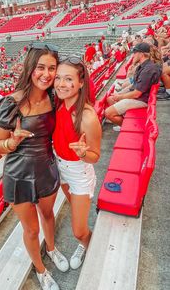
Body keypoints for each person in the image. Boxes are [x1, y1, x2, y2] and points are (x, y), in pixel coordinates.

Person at [0, 43, 68, 290]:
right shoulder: (10, 103)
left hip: (46, 168)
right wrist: (12, 141)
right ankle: (41, 269)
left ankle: (53, 248)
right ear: (30, 68)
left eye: (52, 68)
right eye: (41, 67)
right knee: (32, 230)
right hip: (18, 175)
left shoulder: (54, 97)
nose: (46, 74)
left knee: (48, 215)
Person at [53, 56, 102, 269]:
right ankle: (86, 244)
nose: (61, 84)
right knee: (74, 209)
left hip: (78, 171)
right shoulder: (58, 104)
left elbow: (95, 156)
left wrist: (83, 153)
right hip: (60, 167)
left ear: (81, 83)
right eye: (58, 78)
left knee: (78, 230)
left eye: (68, 79)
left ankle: (88, 245)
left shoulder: (88, 117)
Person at [105, 42, 162, 129]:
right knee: (111, 98)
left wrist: (119, 97)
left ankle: (126, 126)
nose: (133, 55)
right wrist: (119, 96)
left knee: (108, 112)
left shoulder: (148, 69)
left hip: (141, 100)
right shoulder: (146, 66)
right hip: (140, 97)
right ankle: (125, 121)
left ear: (141, 54)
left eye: (135, 53)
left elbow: (136, 94)